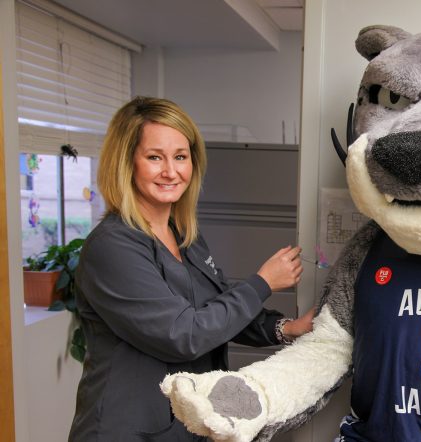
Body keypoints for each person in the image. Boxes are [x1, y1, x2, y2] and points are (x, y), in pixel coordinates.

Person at [68, 96, 312, 441]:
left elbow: (216, 310)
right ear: (126, 163)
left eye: (181, 157)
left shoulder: (185, 238)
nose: (171, 171)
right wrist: (262, 283)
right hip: (126, 430)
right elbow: (184, 335)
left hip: (184, 426)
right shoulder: (112, 247)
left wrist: (285, 328)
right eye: (155, 157)